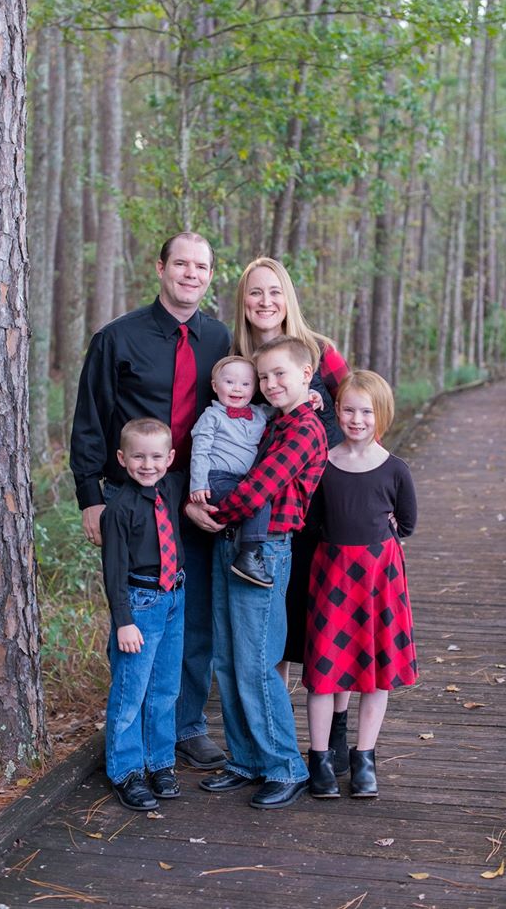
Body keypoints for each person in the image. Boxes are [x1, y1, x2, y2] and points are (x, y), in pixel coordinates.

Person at [70, 232, 231, 770]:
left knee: (195, 615)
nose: (191, 274)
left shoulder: (220, 339)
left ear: (210, 275)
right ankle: (131, 736)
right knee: (138, 614)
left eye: (201, 266)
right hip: (133, 496)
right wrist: (91, 496)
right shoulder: (118, 338)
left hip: (197, 494)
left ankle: (185, 726)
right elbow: (90, 420)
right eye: (181, 263)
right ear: (161, 268)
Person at [186, 336, 328, 810]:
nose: (269, 384)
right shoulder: (274, 420)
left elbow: (257, 488)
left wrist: (205, 511)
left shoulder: (304, 429)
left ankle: (285, 766)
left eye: (279, 374)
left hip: (264, 549)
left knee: (256, 662)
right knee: (227, 659)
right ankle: (246, 759)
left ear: (306, 375)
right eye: (263, 377)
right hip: (229, 542)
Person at [230, 257, 349, 682]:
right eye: (255, 292)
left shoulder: (320, 351)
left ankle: (331, 719)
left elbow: (360, 411)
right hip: (269, 512)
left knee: (326, 615)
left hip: (327, 503)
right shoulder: (236, 363)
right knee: (275, 621)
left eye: (275, 291)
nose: (266, 301)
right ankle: (277, 711)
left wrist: (376, 489)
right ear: (244, 302)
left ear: (288, 298)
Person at [302, 371, 418, 800]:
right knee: (324, 672)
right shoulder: (324, 464)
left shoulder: (395, 469)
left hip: (378, 578)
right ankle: (319, 759)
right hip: (332, 573)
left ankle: (364, 757)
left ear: (381, 414)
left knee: (375, 675)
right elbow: (312, 521)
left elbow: (407, 522)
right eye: (348, 410)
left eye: (366, 412)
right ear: (336, 411)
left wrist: (381, 533)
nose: (356, 419)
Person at [101, 419, 186, 812]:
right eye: (138, 457)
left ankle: (160, 762)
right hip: (140, 603)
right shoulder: (118, 510)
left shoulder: (170, 488)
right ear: (122, 458)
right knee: (130, 691)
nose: (147, 465)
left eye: (156, 457)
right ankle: (126, 771)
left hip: (175, 597)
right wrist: (124, 621)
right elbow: (113, 570)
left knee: (165, 687)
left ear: (169, 458)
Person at [190, 355, 273, 587]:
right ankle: (249, 555)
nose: (237, 388)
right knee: (258, 500)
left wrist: (311, 395)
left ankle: (246, 553)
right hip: (216, 479)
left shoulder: (260, 413)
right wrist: (198, 484)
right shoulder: (212, 416)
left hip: (242, 480)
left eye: (245, 384)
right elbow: (200, 451)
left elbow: (287, 406)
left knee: (258, 497)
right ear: (215, 386)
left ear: (254, 389)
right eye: (229, 382)